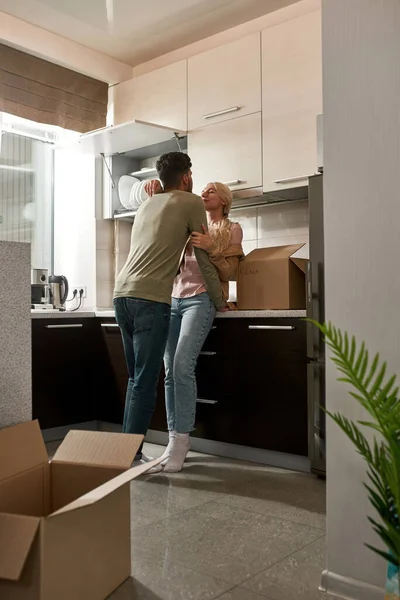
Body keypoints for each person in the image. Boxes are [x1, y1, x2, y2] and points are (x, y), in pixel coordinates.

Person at [113, 152, 227, 463]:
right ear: (187, 177)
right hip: (153, 299)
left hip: (121, 295)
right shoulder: (190, 203)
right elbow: (203, 257)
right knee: (146, 380)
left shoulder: (148, 203)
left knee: (137, 379)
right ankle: (132, 456)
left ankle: (131, 451)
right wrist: (220, 300)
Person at [145, 179, 244, 472]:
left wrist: (212, 248)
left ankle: (183, 442)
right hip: (172, 298)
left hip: (200, 299)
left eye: (211, 191)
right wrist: (156, 191)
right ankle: (173, 439)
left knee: (181, 365)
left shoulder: (232, 229)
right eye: (203, 190)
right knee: (169, 371)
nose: (204, 194)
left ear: (224, 200)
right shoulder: (189, 223)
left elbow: (232, 271)